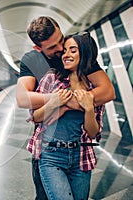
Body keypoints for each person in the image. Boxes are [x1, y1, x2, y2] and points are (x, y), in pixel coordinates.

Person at [15, 16, 115, 200]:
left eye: (60, 39)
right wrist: (56, 100)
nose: (61, 50)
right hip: (49, 150)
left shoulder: (76, 51)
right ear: (38, 48)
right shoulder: (34, 61)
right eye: (53, 47)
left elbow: (108, 92)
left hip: (80, 152)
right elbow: (22, 98)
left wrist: (67, 105)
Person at [31, 32, 105, 200]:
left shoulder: (94, 88)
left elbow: (93, 133)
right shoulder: (51, 79)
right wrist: (53, 103)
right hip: (51, 155)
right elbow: (36, 117)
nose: (66, 55)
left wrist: (88, 110)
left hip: (81, 156)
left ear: (85, 53)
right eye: (65, 50)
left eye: (73, 50)